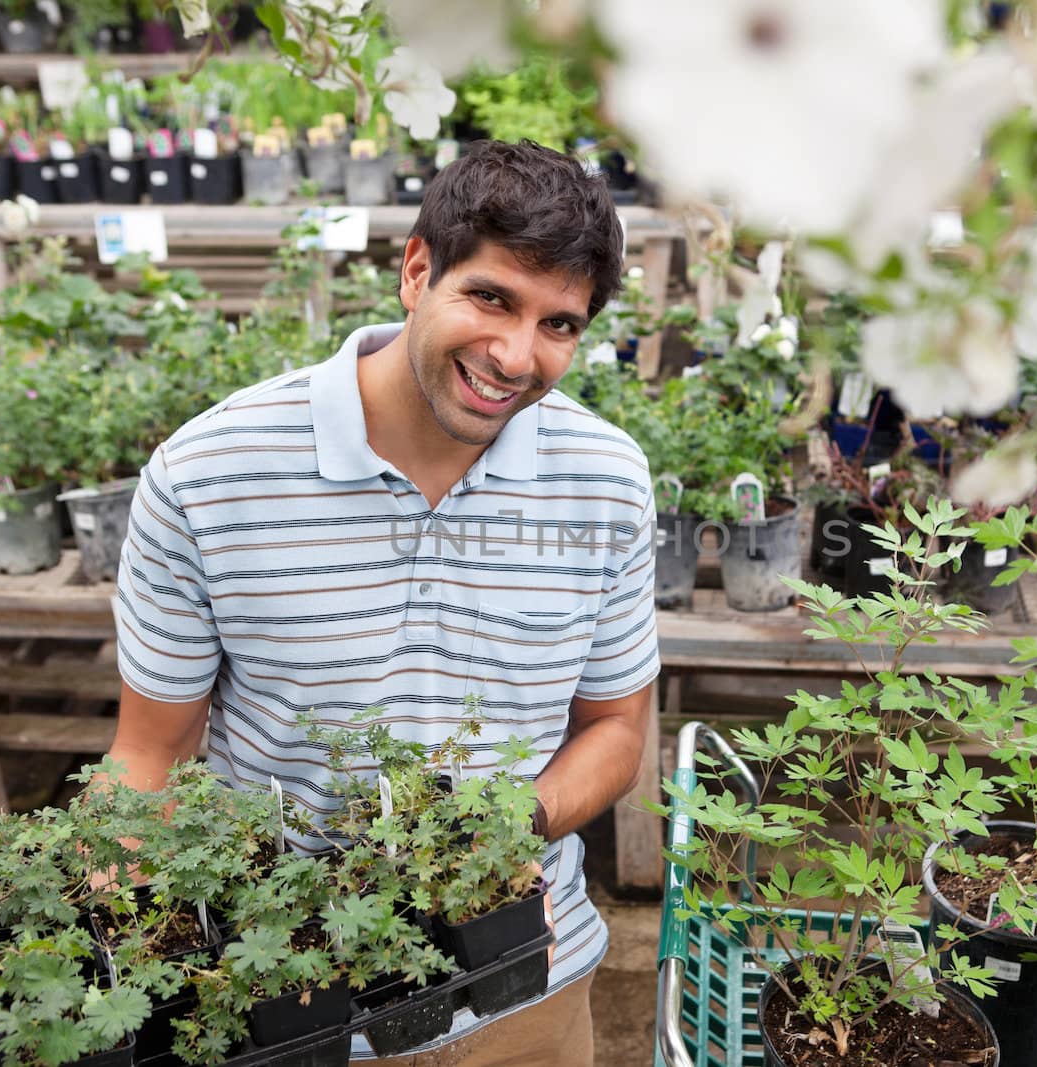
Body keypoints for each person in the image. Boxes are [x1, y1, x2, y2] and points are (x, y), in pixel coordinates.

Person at [105, 140, 658, 1066]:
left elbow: (618, 730)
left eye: (558, 323)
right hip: (286, 993)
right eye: (490, 297)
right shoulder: (211, 474)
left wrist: (505, 830)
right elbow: (148, 753)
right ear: (415, 271)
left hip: (529, 982)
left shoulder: (605, 480)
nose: (515, 355)